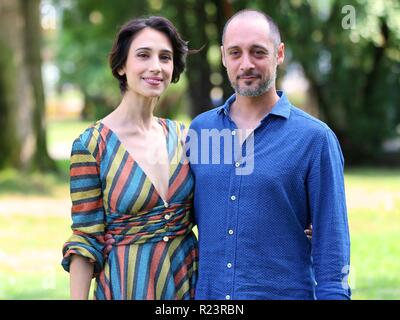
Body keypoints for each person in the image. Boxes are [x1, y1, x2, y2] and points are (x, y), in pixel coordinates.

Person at [187, 9, 351, 300]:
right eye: (235, 53)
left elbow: (332, 251)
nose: (246, 64)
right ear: (224, 56)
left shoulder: (315, 139)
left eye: (258, 52)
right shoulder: (200, 131)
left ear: (279, 54)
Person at [61, 16, 198, 300]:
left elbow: (225, 200)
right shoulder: (91, 146)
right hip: (128, 286)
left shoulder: (186, 138)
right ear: (122, 66)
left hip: (189, 284)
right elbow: (86, 239)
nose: (155, 67)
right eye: (143, 55)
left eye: (165, 57)